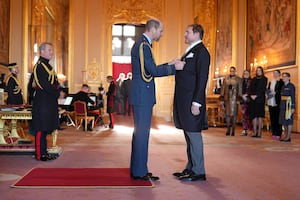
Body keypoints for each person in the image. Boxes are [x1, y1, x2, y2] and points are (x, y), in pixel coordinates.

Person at [129, 18, 185, 181]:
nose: (161, 34)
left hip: (142, 94)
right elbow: (152, 70)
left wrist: (169, 63)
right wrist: (174, 68)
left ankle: (137, 169)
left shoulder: (142, 44)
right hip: (142, 96)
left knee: (140, 133)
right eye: (161, 31)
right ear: (153, 29)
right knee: (142, 134)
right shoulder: (143, 46)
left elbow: (148, 68)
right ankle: (140, 172)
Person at [172, 24, 210, 182]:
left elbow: (202, 79)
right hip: (185, 100)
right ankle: (191, 167)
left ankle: (199, 171)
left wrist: (197, 103)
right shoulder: (190, 51)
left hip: (193, 101)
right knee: (188, 135)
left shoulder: (202, 52)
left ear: (196, 33)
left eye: (187, 32)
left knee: (194, 135)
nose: (184, 34)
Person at [32, 42, 60, 161]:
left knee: (46, 128)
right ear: (42, 51)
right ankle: (40, 154)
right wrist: (56, 92)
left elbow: (55, 82)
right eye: (49, 50)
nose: (51, 52)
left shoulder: (49, 67)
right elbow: (43, 84)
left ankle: (44, 152)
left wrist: (58, 90)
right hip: (42, 101)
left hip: (49, 101)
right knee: (41, 128)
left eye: (52, 50)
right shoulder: (39, 66)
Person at [220, 66, 242, 136]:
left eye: (233, 71)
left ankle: (233, 130)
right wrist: (222, 98)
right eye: (231, 71)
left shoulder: (238, 79)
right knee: (227, 114)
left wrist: (239, 98)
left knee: (234, 114)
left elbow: (240, 89)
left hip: (234, 98)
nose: (232, 72)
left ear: (235, 71)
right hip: (227, 98)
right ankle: (228, 128)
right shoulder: (226, 78)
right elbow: (223, 88)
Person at [248, 66, 268, 138]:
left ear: (262, 71)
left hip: (260, 99)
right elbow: (250, 88)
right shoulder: (253, 79)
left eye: (259, 70)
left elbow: (262, 89)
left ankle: (259, 132)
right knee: (254, 116)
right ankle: (254, 132)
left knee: (259, 116)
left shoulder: (265, 79)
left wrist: (256, 95)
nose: (258, 72)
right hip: (253, 100)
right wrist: (251, 95)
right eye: (257, 70)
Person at [266, 70, 284, 140]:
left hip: (278, 102)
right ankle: (273, 132)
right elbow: (268, 90)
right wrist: (268, 93)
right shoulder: (271, 82)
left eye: (276, 73)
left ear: (279, 74)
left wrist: (275, 92)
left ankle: (278, 133)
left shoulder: (281, 82)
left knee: (278, 118)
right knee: (272, 118)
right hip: (271, 101)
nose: (275, 74)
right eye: (274, 73)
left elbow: (282, 91)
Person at [279, 72, 295, 142]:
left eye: (285, 76)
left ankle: (288, 137)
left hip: (289, 105)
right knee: (284, 121)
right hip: (283, 105)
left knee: (289, 121)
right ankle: (286, 135)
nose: (283, 78)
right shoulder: (283, 86)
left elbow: (293, 97)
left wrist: (293, 107)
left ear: (289, 78)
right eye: (283, 77)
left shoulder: (291, 86)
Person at [240, 70, 252, 136]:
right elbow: (239, 89)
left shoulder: (251, 81)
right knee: (244, 115)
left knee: (249, 115)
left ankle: (250, 129)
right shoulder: (241, 81)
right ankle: (244, 129)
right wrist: (242, 95)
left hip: (249, 100)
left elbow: (252, 89)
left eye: (247, 73)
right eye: (244, 73)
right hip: (243, 100)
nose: (246, 74)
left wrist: (247, 95)